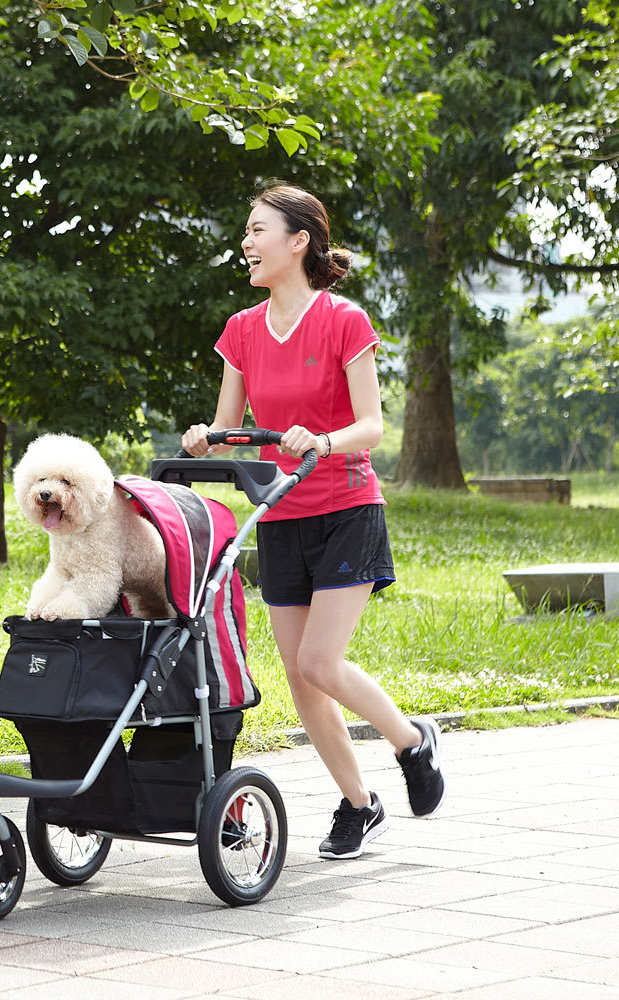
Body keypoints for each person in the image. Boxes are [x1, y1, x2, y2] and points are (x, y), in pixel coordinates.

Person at [181, 183, 445, 860]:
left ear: (298, 241)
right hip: (281, 514)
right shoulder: (241, 330)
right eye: (246, 229)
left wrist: (323, 441)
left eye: (258, 229)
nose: (247, 241)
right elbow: (231, 426)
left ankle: (413, 742)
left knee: (320, 662)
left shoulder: (344, 322)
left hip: (348, 508)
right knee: (301, 678)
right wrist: (207, 438)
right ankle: (360, 804)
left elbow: (373, 427)